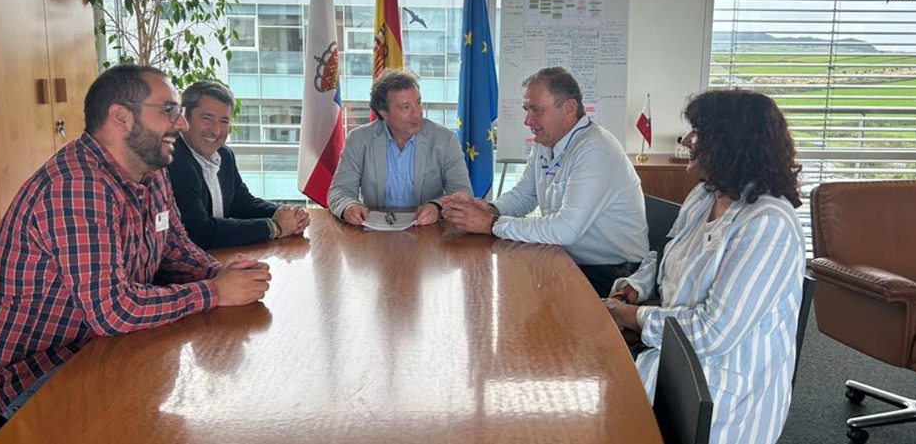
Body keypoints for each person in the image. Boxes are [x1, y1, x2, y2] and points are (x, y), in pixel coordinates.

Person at [0, 65, 272, 418]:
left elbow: (174, 247)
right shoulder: (77, 188)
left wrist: (221, 271)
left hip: (108, 347)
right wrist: (216, 291)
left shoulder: (152, 170)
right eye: (169, 110)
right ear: (120, 117)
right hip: (37, 376)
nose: (182, 124)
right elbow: (113, 310)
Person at [603, 89, 805, 444]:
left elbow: (712, 333)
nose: (686, 140)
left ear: (730, 145)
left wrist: (628, 315)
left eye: (699, 133)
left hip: (721, 394)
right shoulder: (705, 194)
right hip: (670, 362)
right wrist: (636, 286)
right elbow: (665, 255)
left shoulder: (768, 223)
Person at [442, 67, 649, 297]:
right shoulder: (546, 141)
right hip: (568, 259)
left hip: (612, 275)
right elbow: (525, 194)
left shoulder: (595, 148)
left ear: (569, 109)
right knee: (494, 285)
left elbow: (565, 229)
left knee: (512, 297)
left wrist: (490, 223)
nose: (527, 120)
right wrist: (489, 209)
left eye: (536, 110)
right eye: (526, 110)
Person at [167, 80, 309, 249]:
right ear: (184, 117)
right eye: (207, 118)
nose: (216, 130)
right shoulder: (172, 160)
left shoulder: (224, 154)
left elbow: (240, 203)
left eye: (224, 121)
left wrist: (283, 214)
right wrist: (275, 227)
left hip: (220, 257)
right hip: (187, 267)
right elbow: (200, 232)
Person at [328, 69, 472, 226]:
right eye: (406, 107)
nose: (417, 113)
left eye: (418, 103)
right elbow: (339, 190)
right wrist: (348, 206)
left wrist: (437, 207)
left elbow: (462, 192)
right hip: (375, 233)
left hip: (429, 232)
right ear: (384, 113)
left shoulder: (445, 139)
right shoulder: (359, 139)